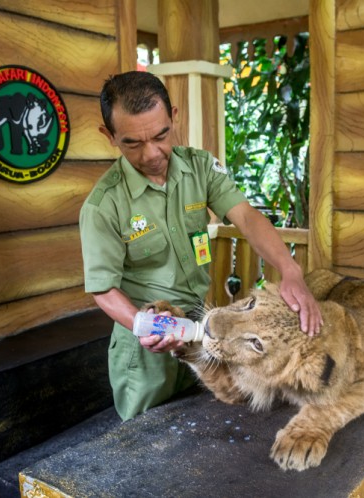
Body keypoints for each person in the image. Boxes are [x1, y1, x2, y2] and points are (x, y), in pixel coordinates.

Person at [79, 71, 322, 421]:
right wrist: (143, 326)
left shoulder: (199, 168)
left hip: (203, 330)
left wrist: (290, 269)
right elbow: (103, 290)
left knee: (206, 427)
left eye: (161, 135)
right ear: (110, 136)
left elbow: (247, 218)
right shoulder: (104, 205)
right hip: (149, 350)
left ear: (174, 116)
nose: (151, 153)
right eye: (133, 142)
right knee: (150, 444)